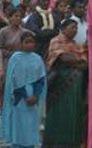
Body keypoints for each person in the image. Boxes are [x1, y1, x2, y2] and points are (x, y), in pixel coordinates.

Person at [43, 19, 88, 148]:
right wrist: (78, 61)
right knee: (60, 112)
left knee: (73, 113)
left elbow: (85, 64)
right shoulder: (56, 41)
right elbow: (63, 58)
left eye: (76, 28)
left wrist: (76, 61)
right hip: (60, 84)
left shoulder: (75, 44)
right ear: (63, 28)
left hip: (76, 86)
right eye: (72, 27)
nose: (75, 30)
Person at [0, 32, 47, 148]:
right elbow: (12, 80)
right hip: (19, 97)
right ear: (21, 44)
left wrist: (35, 95)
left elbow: (41, 79)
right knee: (19, 124)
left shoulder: (38, 59)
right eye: (26, 42)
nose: (29, 45)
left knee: (31, 124)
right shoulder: (15, 58)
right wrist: (26, 96)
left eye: (31, 42)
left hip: (34, 97)